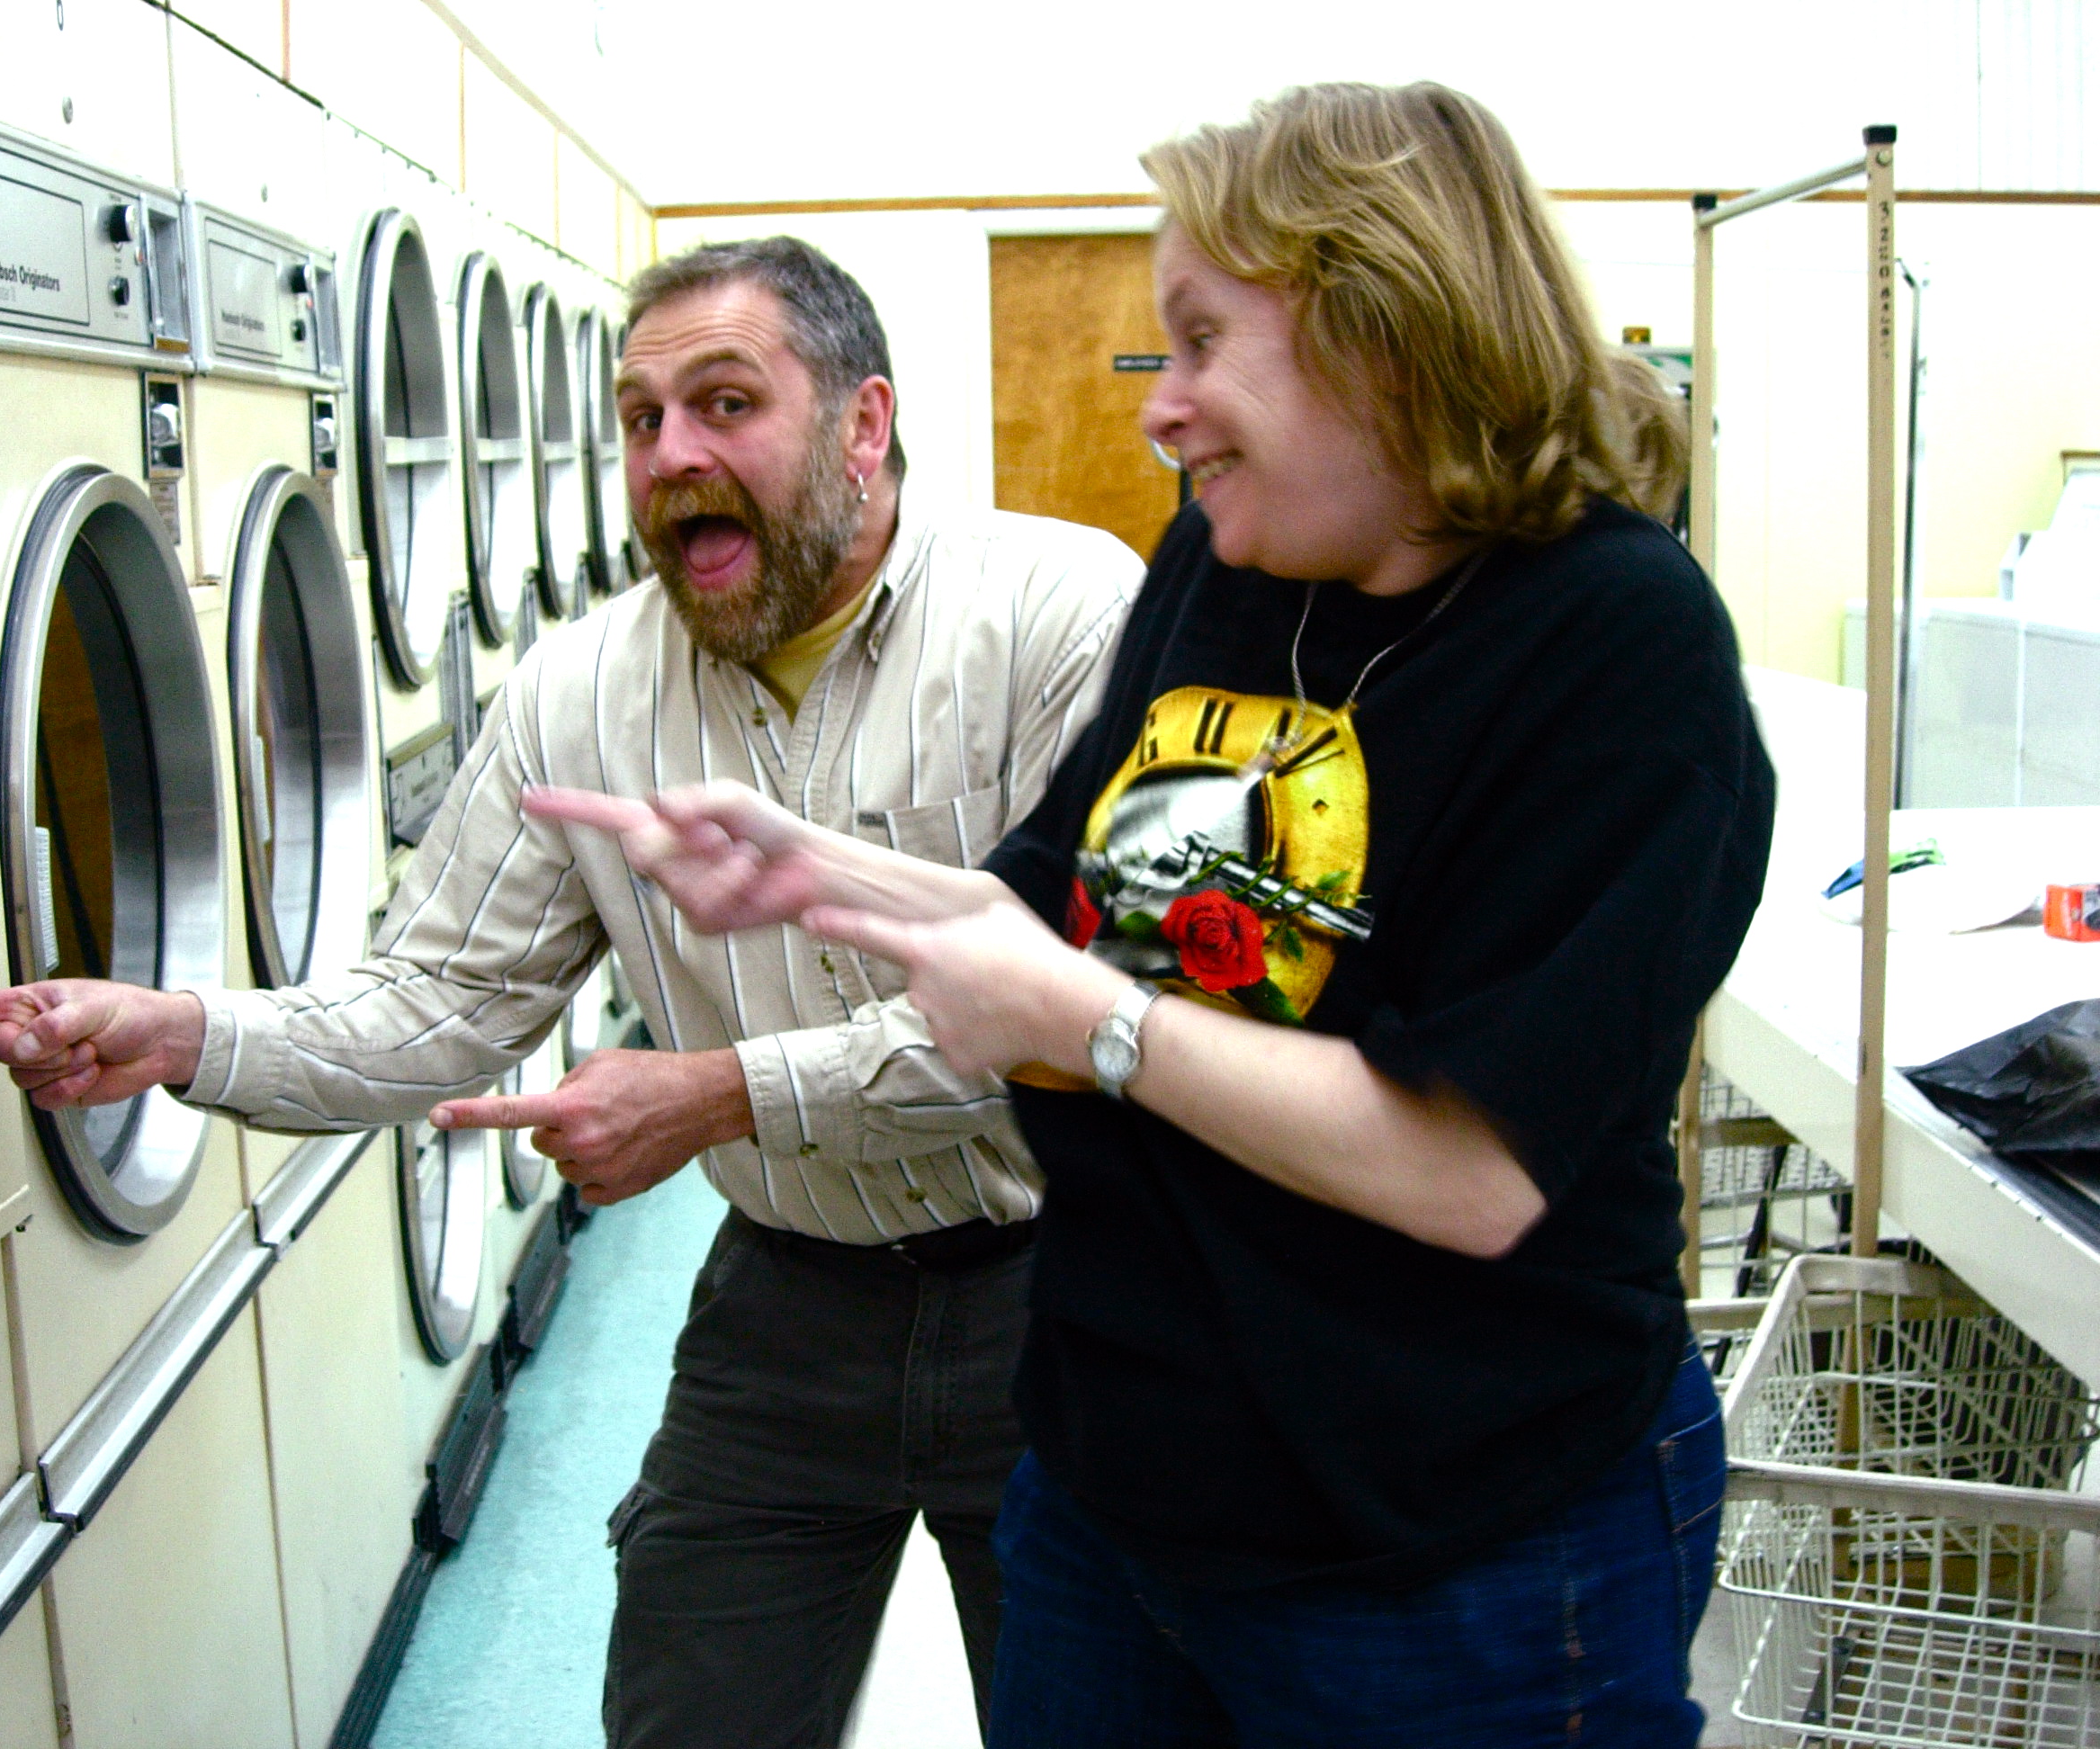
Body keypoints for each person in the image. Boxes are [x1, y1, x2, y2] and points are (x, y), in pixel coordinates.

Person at [529, 84, 1775, 1748]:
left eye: (1201, 341)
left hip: (1452, 1533)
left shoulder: (1617, 647)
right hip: (1119, 1478)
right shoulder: (1231, 563)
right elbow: (1067, 906)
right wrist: (821, 872)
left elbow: (1471, 1170)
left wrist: (1087, 1027)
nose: (1160, 404)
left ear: (1384, 332)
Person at [0, 238, 1143, 1748]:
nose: (671, 458)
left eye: (726, 404)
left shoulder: (1059, 614)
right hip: (789, 1304)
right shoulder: (582, 693)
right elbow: (438, 999)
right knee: (691, 1718)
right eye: (639, 420)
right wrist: (185, 1032)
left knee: (1102, 1719)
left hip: (1069, 1291)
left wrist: (723, 1096)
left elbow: (1086, 1009)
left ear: (863, 424)